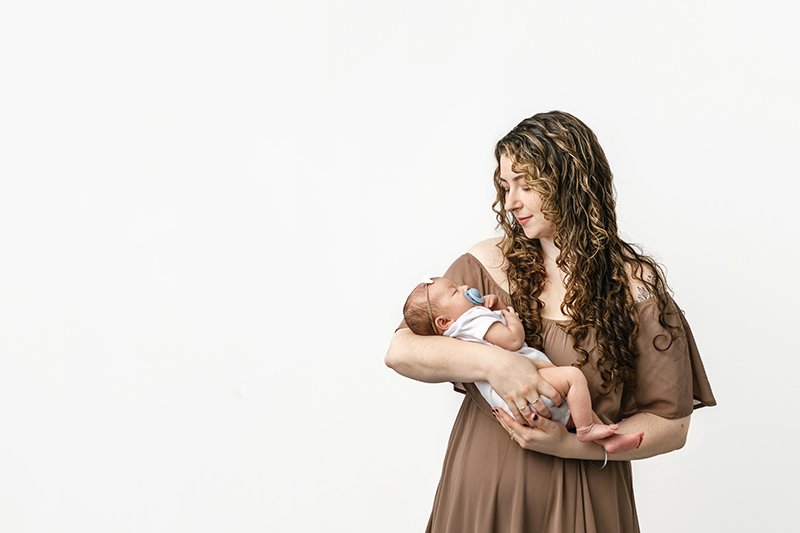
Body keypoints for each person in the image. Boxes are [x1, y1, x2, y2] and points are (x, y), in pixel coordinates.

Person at [385, 111, 716, 533]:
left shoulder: (637, 286)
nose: (511, 202)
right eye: (506, 186)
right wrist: (498, 365)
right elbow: (400, 351)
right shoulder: (486, 263)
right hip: (479, 496)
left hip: (586, 502)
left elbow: (672, 425)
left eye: (526, 183)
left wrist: (572, 447)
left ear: (571, 181)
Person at [403, 276, 644, 453]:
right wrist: (510, 316)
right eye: (455, 291)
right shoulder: (471, 320)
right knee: (573, 378)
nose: (465, 287)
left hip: (515, 403)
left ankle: (608, 441)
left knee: (573, 405)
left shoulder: (459, 331)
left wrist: (492, 307)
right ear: (444, 321)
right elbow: (512, 340)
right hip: (529, 388)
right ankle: (588, 429)